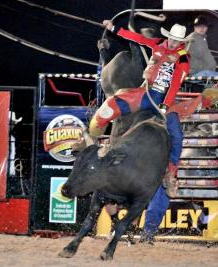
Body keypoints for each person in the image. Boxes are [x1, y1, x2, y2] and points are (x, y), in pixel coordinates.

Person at [90, 20, 190, 243]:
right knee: (121, 101)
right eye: (172, 38)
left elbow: (175, 82)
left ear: (181, 42)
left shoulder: (182, 59)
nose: (173, 42)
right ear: (169, 37)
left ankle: (171, 170)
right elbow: (135, 39)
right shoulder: (158, 44)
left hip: (164, 100)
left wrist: (166, 104)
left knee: (175, 133)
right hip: (147, 94)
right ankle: (100, 130)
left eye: (177, 40)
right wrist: (114, 28)